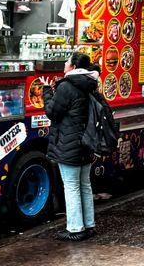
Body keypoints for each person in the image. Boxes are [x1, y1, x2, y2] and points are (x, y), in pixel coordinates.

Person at [42, 52, 99, 241]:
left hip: (69, 144)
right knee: (85, 185)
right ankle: (89, 225)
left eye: (67, 62)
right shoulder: (90, 84)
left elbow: (52, 112)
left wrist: (47, 91)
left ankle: (75, 228)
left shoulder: (67, 86)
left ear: (73, 67)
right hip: (86, 143)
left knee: (72, 186)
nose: (64, 64)